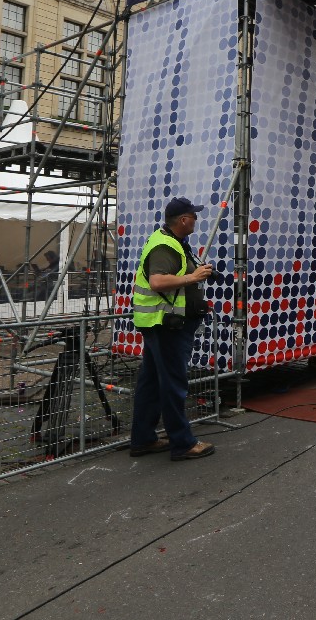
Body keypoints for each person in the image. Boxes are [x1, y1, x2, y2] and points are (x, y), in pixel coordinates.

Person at [129, 197, 215, 461]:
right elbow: (157, 282)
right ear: (184, 220)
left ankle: (143, 439)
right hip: (166, 325)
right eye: (194, 216)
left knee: (152, 382)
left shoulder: (171, 241)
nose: (197, 220)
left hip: (161, 323)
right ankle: (183, 443)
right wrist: (193, 277)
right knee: (173, 384)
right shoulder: (165, 245)